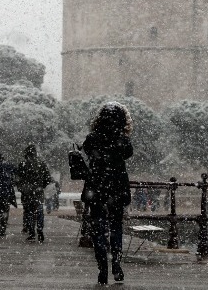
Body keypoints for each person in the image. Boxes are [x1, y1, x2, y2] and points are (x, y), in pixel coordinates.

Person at [82, 101, 133, 285]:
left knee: (98, 228)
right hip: (117, 187)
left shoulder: (93, 138)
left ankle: (102, 267)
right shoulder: (122, 139)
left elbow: (87, 151)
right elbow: (128, 153)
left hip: (96, 186)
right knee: (116, 226)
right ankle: (117, 263)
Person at [15, 144, 52, 242]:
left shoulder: (22, 164)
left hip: (27, 193)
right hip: (38, 192)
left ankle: (31, 232)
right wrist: (41, 186)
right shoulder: (41, 163)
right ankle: (40, 229)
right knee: (39, 212)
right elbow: (48, 178)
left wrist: (22, 188)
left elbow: (17, 179)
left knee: (29, 213)